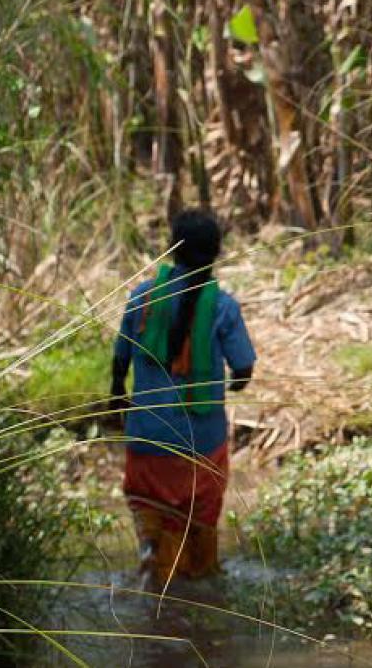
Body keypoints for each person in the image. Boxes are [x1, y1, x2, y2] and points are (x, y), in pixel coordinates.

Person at [110, 208, 256, 589]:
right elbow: (243, 370)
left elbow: (120, 359)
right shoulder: (223, 307)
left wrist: (116, 393)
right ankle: (198, 593)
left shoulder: (142, 297)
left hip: (146, 438)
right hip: (202, 443)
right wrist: (234, 383)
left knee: (150, 516)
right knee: (199, 523)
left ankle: (154, 579)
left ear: (171, 251)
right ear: (216, 253)